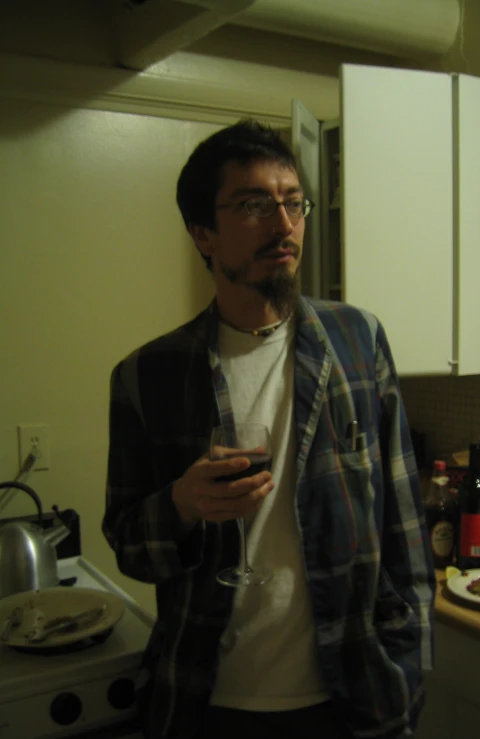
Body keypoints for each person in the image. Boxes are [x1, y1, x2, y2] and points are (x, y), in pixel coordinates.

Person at [102, 119, 436, 739]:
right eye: (255, 205)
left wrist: (408, 667)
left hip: (352, 697)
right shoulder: (146, 377)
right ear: (202, 232)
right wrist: (182, 503)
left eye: (292, 202)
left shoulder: (358, 342)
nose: (284, 225)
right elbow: (127, 545)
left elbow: (405, 528)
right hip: (207, 700)